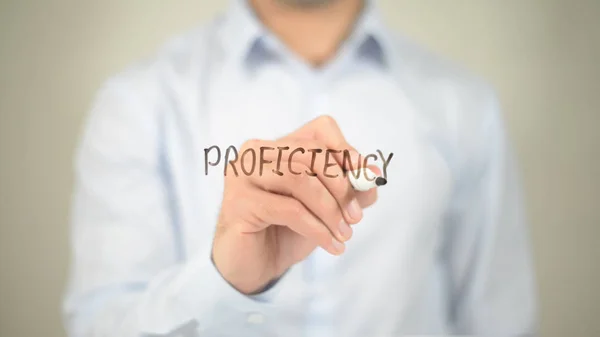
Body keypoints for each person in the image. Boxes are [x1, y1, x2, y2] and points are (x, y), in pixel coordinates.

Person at [62, 0, 538, 336]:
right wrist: (224, 282)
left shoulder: (464, 107)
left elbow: (498, 322)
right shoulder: (138, 104)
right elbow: (101, 326)